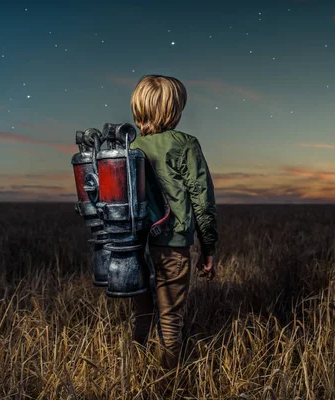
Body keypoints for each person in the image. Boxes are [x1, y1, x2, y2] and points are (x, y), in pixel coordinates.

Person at [128, 74, 218, 369]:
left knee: (142, 315)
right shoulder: (185, 145)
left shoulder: (129, 149)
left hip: (131, 247)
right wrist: (209, 247)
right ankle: (167, 381)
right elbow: (202, 201)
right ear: (174, 110)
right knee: (170, 320)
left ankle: (133, 373)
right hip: (172, 243)